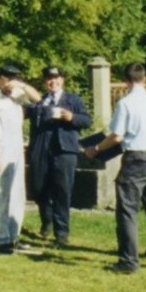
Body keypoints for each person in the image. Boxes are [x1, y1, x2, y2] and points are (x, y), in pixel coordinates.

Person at [83, 63, 146, 273]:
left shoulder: (126, 103)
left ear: (126, 81)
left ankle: (129, 261)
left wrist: (95, 148)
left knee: (127, 210)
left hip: (136, 158)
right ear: (144, 79)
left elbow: (117, 136)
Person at [0, 64, 42, 254]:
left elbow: (37, 99)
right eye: (10, 82)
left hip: (15, 150)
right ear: (1, 79)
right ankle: (2, 239)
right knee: (0, 196)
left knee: (17, 195)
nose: (11, 87)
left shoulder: (15, 94)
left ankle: (14, 236)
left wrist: (22, 86)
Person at [26, 65, 92, 248]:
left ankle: (61, 233)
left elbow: (87, 120)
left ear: (62, 80)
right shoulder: (40, 101)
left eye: (56, 78)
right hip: (41, 149)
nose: (52, 81)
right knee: (39, 188)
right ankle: (47, 220)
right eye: (48, 78)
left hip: (64, 151)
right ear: (45, 82)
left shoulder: (73, 100)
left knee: (62, 191)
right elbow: (24, 112)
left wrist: (72, 118)